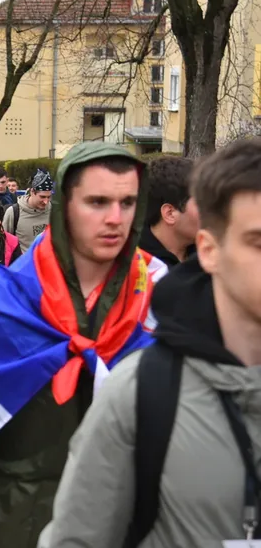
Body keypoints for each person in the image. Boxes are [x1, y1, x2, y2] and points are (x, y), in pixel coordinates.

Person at [0, 142, 166, 548]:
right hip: (12, 514)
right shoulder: (5, 304)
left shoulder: (156, 295)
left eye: (127, 202)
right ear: (66, 206)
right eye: (98, 201)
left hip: (119, 517)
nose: (115, 218)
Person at [38, 137, 261, 548]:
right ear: (209, 250)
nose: (113, 219)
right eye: (258, 242)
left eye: (125, 204)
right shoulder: (143, 393)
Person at [138, 156, 198, 267]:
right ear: (169, 214)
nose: (213, 211)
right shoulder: (136, 271)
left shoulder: (210, 259)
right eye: (202, 204)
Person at [2, 169, 54, 253]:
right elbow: (4, 243)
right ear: (32, 192)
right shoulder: (14, 212)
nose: (46, 201)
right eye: (42, 197)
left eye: (49, 197)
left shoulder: (54, 211)